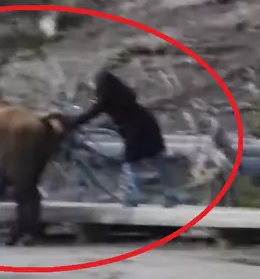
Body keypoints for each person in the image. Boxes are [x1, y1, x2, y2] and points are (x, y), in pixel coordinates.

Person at [69, 67, 181, 207]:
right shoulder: (124, 94)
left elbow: (90, 114)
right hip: (149, 124)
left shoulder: (106, 100)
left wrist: (70, 123)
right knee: (159, 159)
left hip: (136, 130)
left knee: (130, 163)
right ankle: (171, 192)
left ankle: (134, 194)